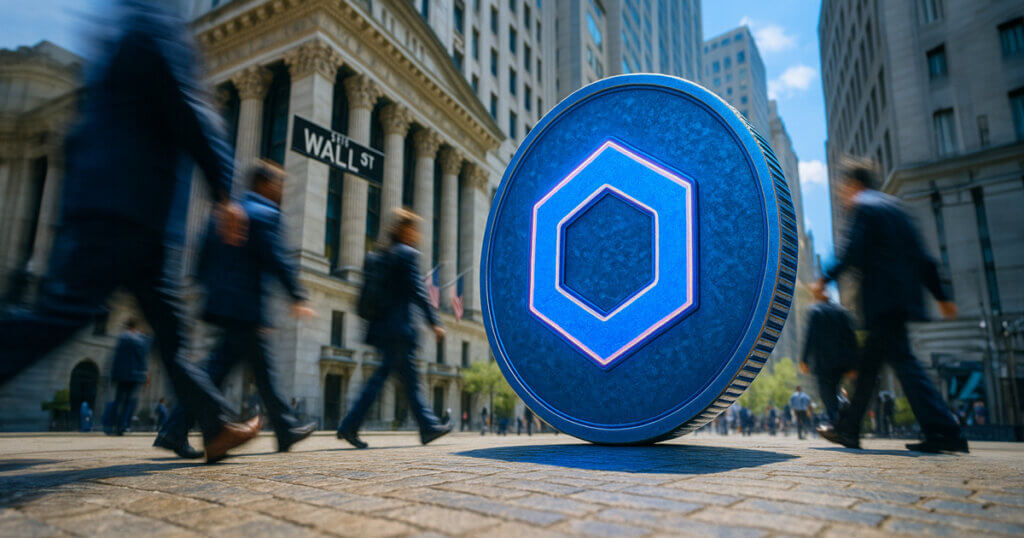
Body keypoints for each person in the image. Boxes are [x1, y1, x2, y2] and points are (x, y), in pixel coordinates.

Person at [0, 0, 258, 462]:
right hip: (125, 207)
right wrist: (225, 190)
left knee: (171, 331)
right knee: (60, 319)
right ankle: (215, 424)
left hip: (125, 208)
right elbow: (186, 108)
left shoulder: (124, 28)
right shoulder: (154, 22)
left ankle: (215, 425)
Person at [155, 162, 317, 458]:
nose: (280, 192)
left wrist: (212, 293)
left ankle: (283, 428)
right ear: (264, 184)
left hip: (221, 304)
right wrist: (297, 295)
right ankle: (177, 429)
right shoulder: (265, 214)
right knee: (225, 369)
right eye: (278, 185)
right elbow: (274, 258)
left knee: (247, 368)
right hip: (245, 306)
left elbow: (201, 259)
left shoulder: (225, 211)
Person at [813, 159, 966, 453]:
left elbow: (852, 250)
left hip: (883, 301)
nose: (843, 194)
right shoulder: (896, 208)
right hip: (901, 300)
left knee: (903, 365)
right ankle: (848, 429)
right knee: (870, 366)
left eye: (844, 188)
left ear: (855, 185)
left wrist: (825, 279)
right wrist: (942, 296)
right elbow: (923, 258)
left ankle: (945, 429)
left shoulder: (865, 207)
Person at [337, 209, 452, 449]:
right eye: (414, 229)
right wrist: (434, 322)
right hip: (400, 328)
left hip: (382, 328)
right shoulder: (406, 254)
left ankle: (427, 426)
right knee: (387, 379)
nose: (417, 235)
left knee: (406, 380)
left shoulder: (383, 254)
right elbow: (418, 291)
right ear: (405, 230)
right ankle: (350, 424)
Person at [800, 298, 858, 427]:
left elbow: (810, 337)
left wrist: (804, 360)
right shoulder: (842, 312)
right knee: (836, 389)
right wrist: (853, 364)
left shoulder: (816, 311)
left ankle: (835, 419)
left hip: (823, 361)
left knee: (826, 393)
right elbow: (850, 337)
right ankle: (839, 419)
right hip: (840, 361)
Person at [103, 319, 150, 435]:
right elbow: (142, 359)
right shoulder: (140, 341)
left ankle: (110, 425)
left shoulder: (122, 339)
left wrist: (113, 374)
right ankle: (122, 426)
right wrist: (145, 374)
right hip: (134, 375)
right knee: (129, 401)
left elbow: (115, 359)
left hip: (121, 375)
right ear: (135, 328)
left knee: (118, 399)